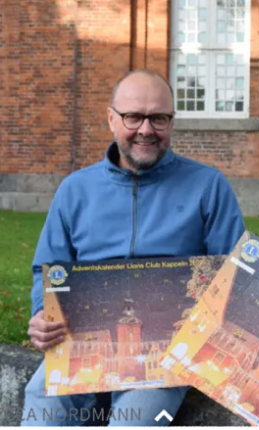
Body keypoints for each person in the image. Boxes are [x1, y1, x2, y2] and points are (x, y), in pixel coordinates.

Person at [22, 69, 246, 426]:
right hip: (81, 339)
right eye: (133, 117)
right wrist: (41, 315)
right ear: (111, 118)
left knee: (136, 418)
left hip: (165, 350)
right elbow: (47, 267)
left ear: (172, 121)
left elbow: (234, 273)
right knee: (41, 401)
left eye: (159, 118)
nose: (146, 129)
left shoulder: (208, 186)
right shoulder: (74, 190)